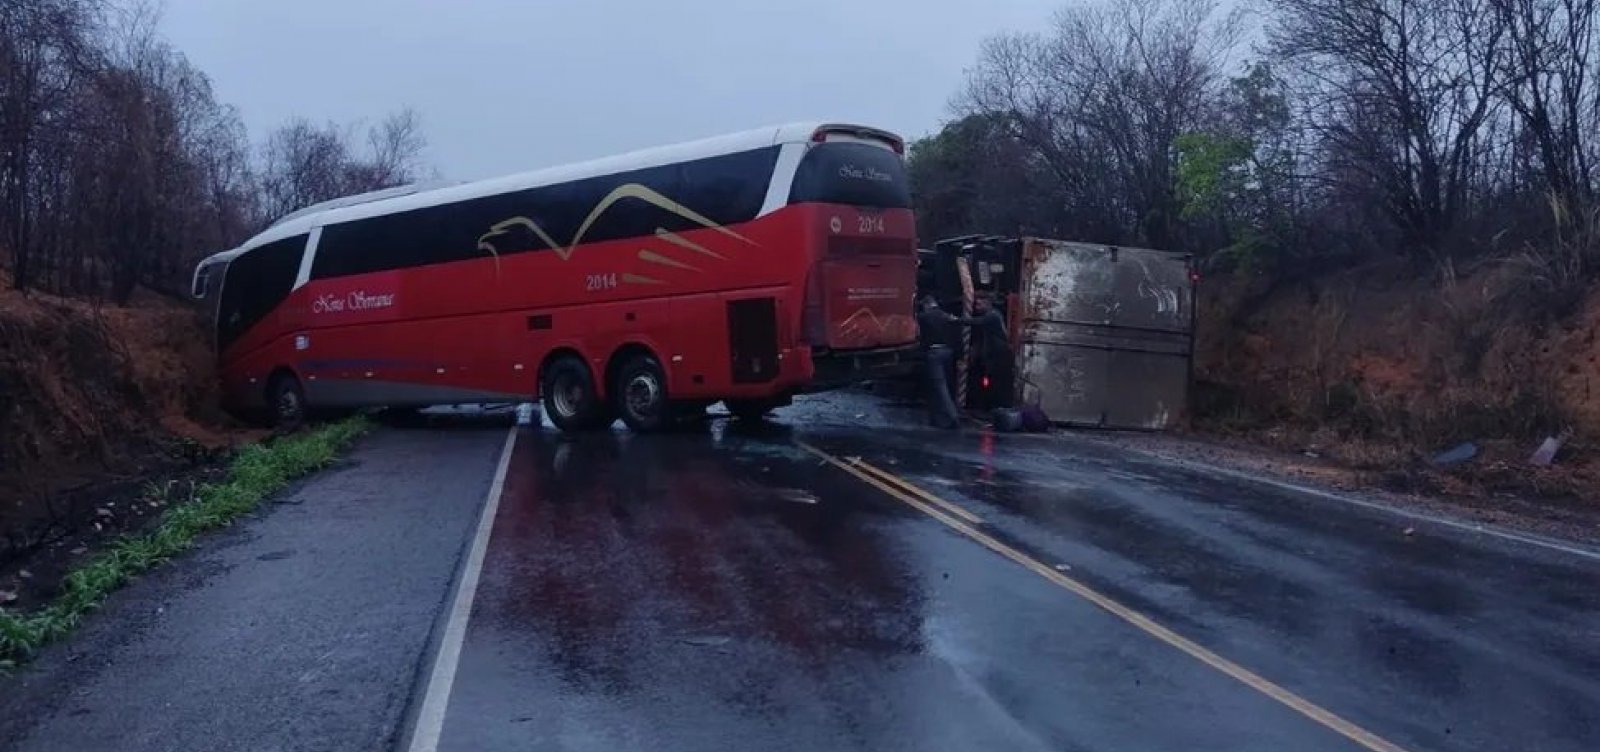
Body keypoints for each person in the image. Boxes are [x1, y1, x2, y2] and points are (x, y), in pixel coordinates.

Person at [916, 295, 974, 429]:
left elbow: (920, 337)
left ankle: (953, 416)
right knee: (946, 384)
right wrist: (960, 356)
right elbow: (957, 336)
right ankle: (940, 419)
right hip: (948, 352)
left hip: (934, 353)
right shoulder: (947, 317)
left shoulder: (923, 318)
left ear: (926, 305)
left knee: (939, 386)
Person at [967, 295, 1015, 409]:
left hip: (998, 355)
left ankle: (996, 407)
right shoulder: (994, 315)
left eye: (979, 304)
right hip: (995, 354)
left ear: (987, 304)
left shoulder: (992, 316)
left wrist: (955, 320)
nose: (977, 307)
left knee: (995, 382)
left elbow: (977, 322)